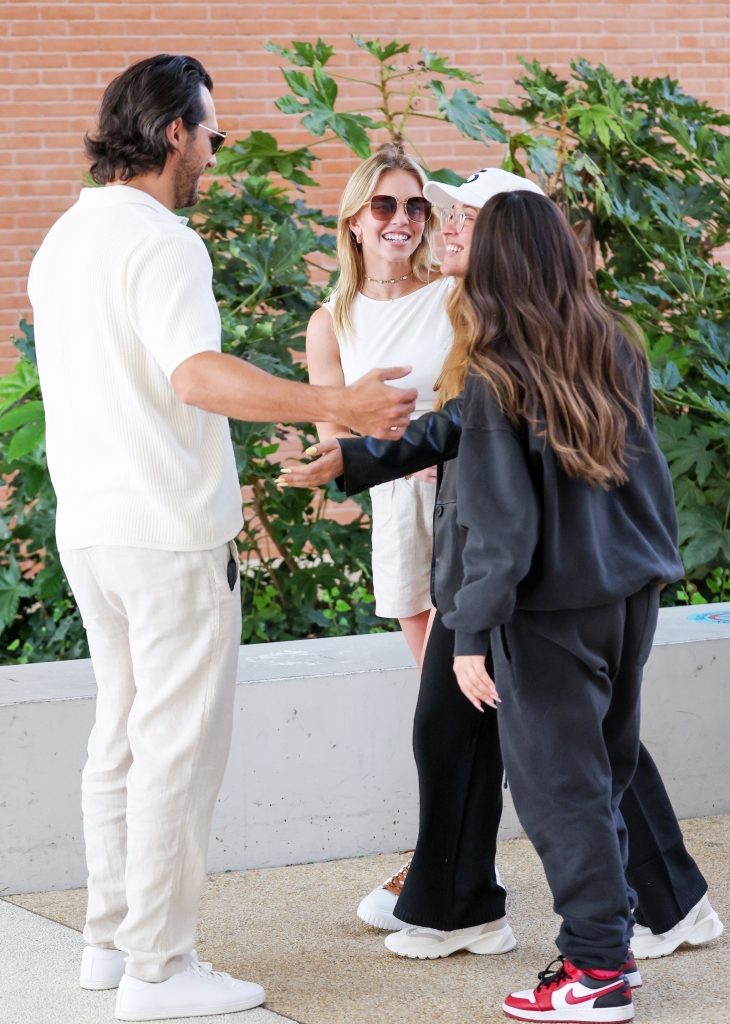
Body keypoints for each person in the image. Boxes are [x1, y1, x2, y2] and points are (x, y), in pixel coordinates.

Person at [27, 54, 417, 1023]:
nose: (213, 154)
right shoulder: (163, 243)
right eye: (213, 135)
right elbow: (193, 377)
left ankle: (109, 941)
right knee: (176, 748)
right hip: (166, 533)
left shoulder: (62, 242)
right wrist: (341, 403)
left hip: (93, 532)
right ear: (173, 134)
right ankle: (160, 968)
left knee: (119, 732)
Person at [280, 171, 722, 983]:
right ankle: (462, 904)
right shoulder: (604, 338)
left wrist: (477, 630)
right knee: (561, 761)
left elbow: (501, 514)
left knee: (565, 787)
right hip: (613, 590)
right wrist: (359, 458)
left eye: (463, 219)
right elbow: (475, 438)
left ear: (511, 252)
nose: (444, 228)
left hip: (530, 598)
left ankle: (595, 965)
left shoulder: (494, 352)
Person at [306, 144, 452, 665]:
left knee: (477, 660)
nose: (402, 219)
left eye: (415, 207)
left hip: (466, 486)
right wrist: (396, 460)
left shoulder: (453, 293)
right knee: (434, 677)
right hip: (397, 494)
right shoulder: (331, 321)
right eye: (384, 205)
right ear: (354, 222)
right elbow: (332, 436)